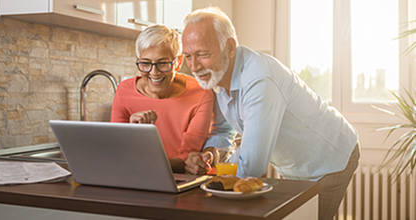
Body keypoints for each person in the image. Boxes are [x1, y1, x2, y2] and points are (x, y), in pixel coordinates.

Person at [181, 7, 360, 220]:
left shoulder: (259, 78)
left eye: (202, 54)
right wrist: (211, 155)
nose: (194, 66)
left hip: (329, 158)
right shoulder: (217, 75)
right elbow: (222, 130)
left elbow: (251, 165)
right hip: (294, 164)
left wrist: (212, 185)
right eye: (188, 56)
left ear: (229, 47)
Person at [110, 24, 215, 173]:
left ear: (178, 62)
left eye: (163, 63)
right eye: (145, 63)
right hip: (133, 176)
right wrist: (132, 132)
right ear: (138, 60)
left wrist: (147, 164)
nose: (154, 72)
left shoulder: (201, 93)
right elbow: (116, 150)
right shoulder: (123, 91)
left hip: (178, 179)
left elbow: (188, 157)